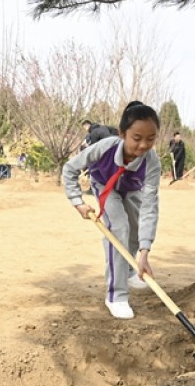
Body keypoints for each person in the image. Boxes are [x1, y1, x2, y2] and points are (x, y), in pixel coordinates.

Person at [62, 101, 162, 319]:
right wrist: (77, 201)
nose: (143, 145)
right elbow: (70, 169)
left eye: (150, 139)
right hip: (105, 186)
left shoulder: (152, 162)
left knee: (135, 230)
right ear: (122, 134)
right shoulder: (104, 147)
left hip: (131, 190)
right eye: (137, 138)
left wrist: (145, 253)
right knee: (119, 229)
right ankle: (116, 296)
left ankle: (128, 270)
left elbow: (149, 207)